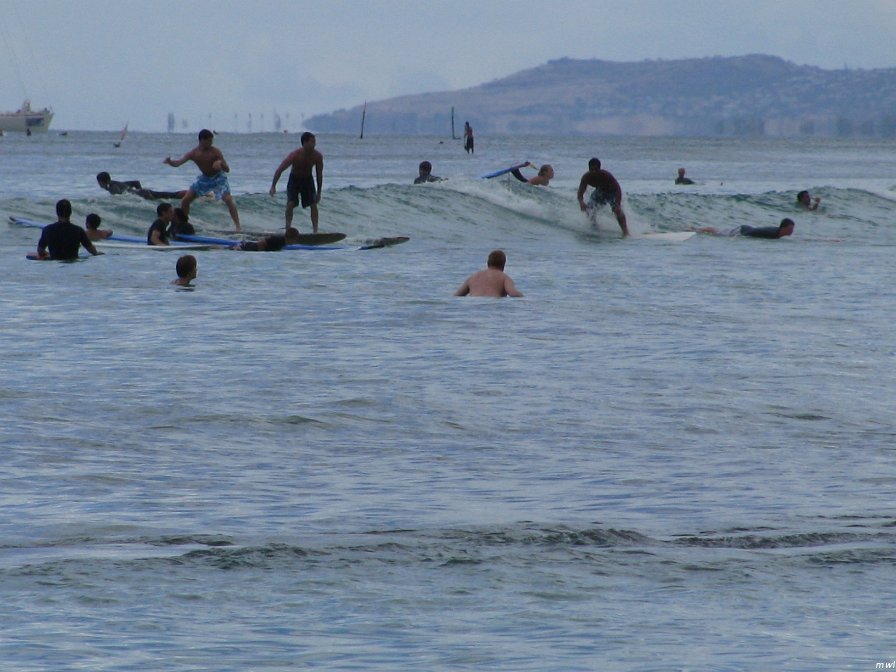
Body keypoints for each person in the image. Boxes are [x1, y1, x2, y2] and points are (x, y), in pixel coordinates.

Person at [164, 129, 241, 232]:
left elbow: (227, 169)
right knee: (185, 200)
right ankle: (183, 224)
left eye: (212, 140)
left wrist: (221, 164)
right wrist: (170, 162)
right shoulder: (193, 153)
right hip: (204, 179)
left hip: (219, 178)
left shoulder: (215, 151)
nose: (211, 143)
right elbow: (178, 163)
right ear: (202, 140)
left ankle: (238, 226)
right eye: (209, 141)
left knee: (228, 199)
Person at [269, 131, 324, 233]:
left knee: (313, 204)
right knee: (290, 204)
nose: (314, 144)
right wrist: (273, 186)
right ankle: (288, 228)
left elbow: (319, 174)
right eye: (312, 142)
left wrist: (319, 192)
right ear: (305, 143)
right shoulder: (295, 155)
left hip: (308, 180)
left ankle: (315, 231)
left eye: (314, 142)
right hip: (294, 180)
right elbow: (280, 169)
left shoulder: (317, 156)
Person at [577, 157, 629, 237]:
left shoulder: (606, 175)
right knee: (589, 209)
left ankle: (625, 232)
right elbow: (580, 192)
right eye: (591, 170)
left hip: (612, 192)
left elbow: (618, 189)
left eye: (596, 170)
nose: (594, 172)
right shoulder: (586, 177)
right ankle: (594, 227)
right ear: (589, 168)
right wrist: (581, 202)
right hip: (600, 192)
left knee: (617, 210)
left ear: (599, 168)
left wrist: (617, 204)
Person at [36, 199, 102, 260]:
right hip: (73, 262)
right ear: (70, 212)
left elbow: (40, 250)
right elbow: (92, 250)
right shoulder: (78, 230)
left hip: (55, 263)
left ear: (57, 212)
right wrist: (97, 253)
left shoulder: (47, 230)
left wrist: (47, 254)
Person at [455, 250, 523, 298]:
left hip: (474, 306)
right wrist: (524, 299)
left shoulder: (473, 277)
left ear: (488, 263)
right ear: (503, 265)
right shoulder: (504, 278)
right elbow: (513, 294)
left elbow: (457, 295)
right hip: (492, 305)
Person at [96, 171, 186, 200]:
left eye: (99, 182)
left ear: (104, 182)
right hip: (144, 192)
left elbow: (120, 196)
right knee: (171, 195)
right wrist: (140, 191)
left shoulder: (112, 188)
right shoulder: (117, 183)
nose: (99, 184)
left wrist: (140, 195)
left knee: (166, 198)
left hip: (143, 194)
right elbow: (136, 182)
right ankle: (188, 193)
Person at [693, 218, 795, 239]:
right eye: (790, 229)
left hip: (745, 229)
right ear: (783, 228)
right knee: (718, 232)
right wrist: (740, 237)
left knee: (719, 231)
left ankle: (697, 229)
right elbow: (754, 232)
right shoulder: (771, 233)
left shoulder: (777, 233)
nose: (791, 231)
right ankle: (696, 229)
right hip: (742, 231)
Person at [234, 227, 301, 251]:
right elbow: (262, 242)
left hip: (251, 246)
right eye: (296, 239)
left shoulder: (283, 242)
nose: (296, 241)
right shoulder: (280, 240)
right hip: (251, 247)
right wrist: (261, 253)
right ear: (292, 238)